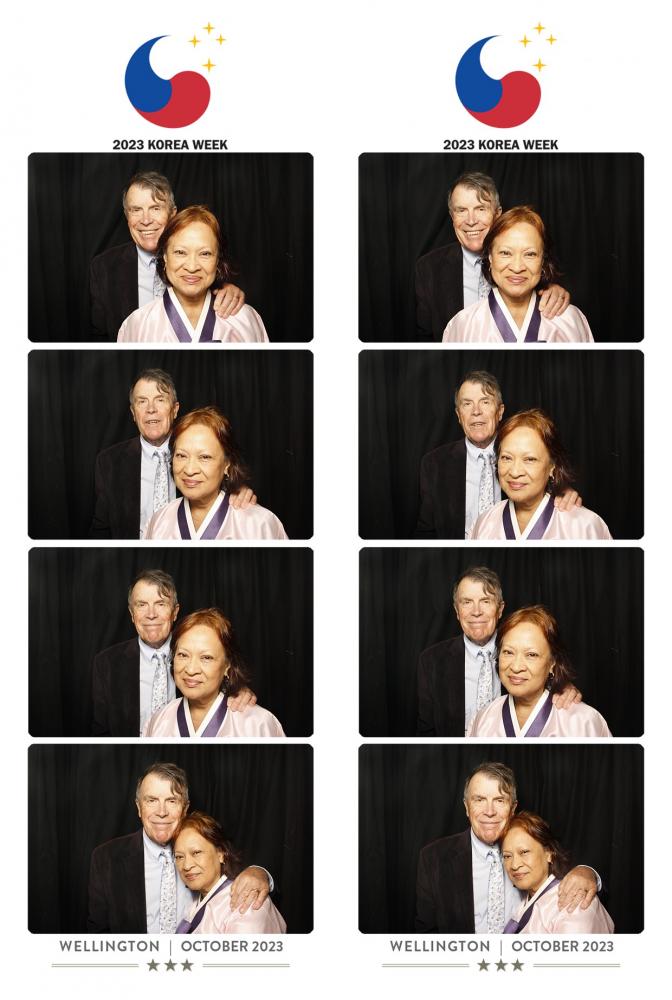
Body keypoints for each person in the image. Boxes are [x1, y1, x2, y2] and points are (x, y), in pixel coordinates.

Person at [415, 762, 601, 933]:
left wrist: (589, 873)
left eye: (499, 800)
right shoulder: (434, 858)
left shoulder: (532, 841)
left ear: (513, 808)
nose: (489, 811)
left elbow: (571, 878)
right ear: (466, 807)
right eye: (479, 799)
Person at [87, 762, 273, 932]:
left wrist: (261, 873)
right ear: (138, 807)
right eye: (151, 800)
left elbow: (240, 874)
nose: (161, 812)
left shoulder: (205, 841)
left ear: (185, 808)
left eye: (171, 801)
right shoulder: (106, 858)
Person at [89, 368, 257, 539]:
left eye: (160, 399)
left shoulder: (198, 452)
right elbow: (101, 531)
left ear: (175, 409)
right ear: (133, 413)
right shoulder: (109, 462)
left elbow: (222, 483)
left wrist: (238, 490)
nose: (151, 409)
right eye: (142, 401)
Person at [415, 370, 582, 539]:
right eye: (467, 404)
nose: (476, 411)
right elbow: (425, 534)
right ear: (459, 415)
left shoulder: (523, 453)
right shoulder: (434, 464)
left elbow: (547, 484)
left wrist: (562, 491)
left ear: (500, 411)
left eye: (485, 402)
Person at [417, 568, 581, 737]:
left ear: (500, 608)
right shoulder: (431, 661)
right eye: (467, 602)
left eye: (485, 601)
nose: (476, 611)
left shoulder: (521, 654)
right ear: (457, 610)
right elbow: (426, 734)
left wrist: (562, 687)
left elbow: (544, 684)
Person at [92, 570, 257, 736]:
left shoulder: (195, 652)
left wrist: (237, 690)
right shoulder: (106, 663)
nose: (151, 614)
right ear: (132, 614)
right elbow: (101, 734)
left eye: (160, 604)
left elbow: (220, 682)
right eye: (141, 605)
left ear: (175, 612)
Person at [90, 171, 246, 339]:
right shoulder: (103, 267)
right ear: (127, 216)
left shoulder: (204, 261)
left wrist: (225, 289)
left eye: (155, 208)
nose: (146, 220)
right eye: (136, 210)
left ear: (173, 213)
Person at [415, 172, 570, 339]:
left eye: (481, 209)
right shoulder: (428, 268)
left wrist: (552, 289)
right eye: (461, 210)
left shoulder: (529, 259)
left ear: (498, 213)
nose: (471, 220)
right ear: (452, 216)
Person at [118, 205, 268, 343]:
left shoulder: (245, 320)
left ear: (218, 260)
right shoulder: (137, 325)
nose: (192, 267)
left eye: (205, 254)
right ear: (165, 257)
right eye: (180, 252)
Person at [443, 207, 593, 343]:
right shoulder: (462, 325)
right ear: (490, 257)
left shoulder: (570, 321)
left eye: (530, 254)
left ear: (543, 261)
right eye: (505, 253)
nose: (517, 267)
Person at [145, 406, 287, 540]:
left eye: (204, 457)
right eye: (181, 455)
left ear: (227, 464)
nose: (189, 470)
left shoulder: (259, 523)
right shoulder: (159, 521)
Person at [468, 606, 611, 737]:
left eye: (531, 655)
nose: (516, 667)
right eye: (508, 652)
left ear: (552, 662)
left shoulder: (584, 722)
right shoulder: (483, 719)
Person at [470, 409, 612, 540]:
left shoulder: (584, 526)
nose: (514, 472)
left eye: (529, 459)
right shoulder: (484, 523)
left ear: (552, 466)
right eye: (506, 458)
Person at [143, 608, 284, 737]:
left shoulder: (258, 724)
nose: (191, 670)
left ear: (227, 665)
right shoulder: (158, 721)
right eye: (183, 655)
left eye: (206, 658)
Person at [174, 812, 286, 933]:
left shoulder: (246, 901)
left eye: (196, 853)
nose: (186, 866)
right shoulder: (194, 902)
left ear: (221, 854)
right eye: (179, 857)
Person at [501, 812, 614, 933]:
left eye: (524, 852)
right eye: (507, 856)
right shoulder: (525, 901)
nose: (514, 865)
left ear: (549, 853)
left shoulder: (574, 901)